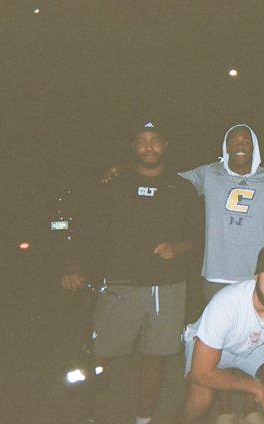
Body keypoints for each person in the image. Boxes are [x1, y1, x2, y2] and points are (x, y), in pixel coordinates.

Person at [104, 124, 264, 424]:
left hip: (259, 277)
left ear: (254, 146)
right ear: (225, 146)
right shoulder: (209, 174)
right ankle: (225, 410)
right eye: (233, 141)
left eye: (245, 141)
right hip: (217, 273)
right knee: (221, 345)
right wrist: (124, 171)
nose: (240, 145)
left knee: (252, 341)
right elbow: (166, 181)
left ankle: (249, 409)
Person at [61, 121, 201, 424]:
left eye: (155, 140)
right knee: (99, 354)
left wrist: (178, 247)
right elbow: (91, 231)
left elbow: (198, 235)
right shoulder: (115, 184)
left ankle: (143, 419)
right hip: (120, 284)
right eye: (142, 141)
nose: (149, 147)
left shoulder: (181, 187)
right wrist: (74, 267)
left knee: (155, 356)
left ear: (165, 144)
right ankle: (87, 412)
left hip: (167, 286)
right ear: (133, 147)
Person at [176, 243, 264, 424]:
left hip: (254, 345)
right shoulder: (226, 304)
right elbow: (200, 373)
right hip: (212, 346)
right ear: (256, 277)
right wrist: (254, 386)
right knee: (200, 400)